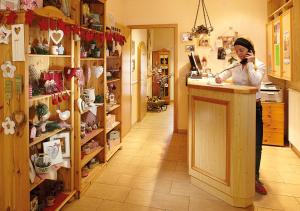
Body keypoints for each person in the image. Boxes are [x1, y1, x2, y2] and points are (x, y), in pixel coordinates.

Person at [215, 37, 267, 195]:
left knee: (256, 144)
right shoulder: (235, 64)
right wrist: (219, 78)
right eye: (236, 51)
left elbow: (255, 83)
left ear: (249, 50)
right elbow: (223, 76)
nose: (238, 54)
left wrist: (250, 63)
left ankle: (254, 178)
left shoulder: (259, 65)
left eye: (241, 50)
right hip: (238, 107)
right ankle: (238, 173)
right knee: (238, 142)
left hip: (254, 108)